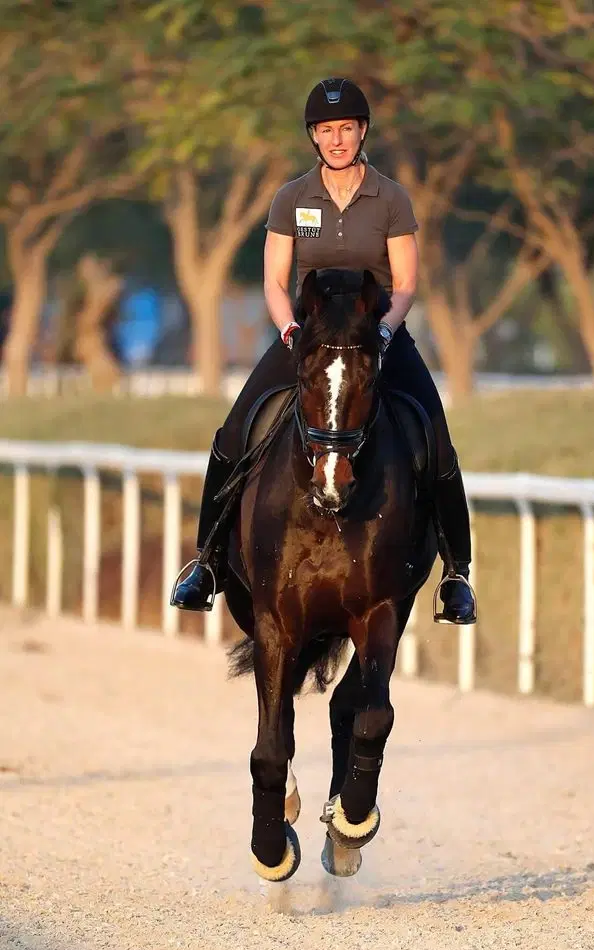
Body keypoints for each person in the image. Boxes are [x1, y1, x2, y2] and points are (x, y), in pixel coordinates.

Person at [171, 77, 476, 625]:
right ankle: (207, 562)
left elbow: (405, 281)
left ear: (363, 132)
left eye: (347, 128)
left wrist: (385, 330)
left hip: (376, 333)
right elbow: (273, 280)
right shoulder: (292, 198)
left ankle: (456, 574)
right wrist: (289, 329)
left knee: (436, 434)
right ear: (314, 136)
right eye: (327, 130)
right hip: (306, 334)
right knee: (235, 429)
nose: (338, 139)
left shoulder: (391, 197)